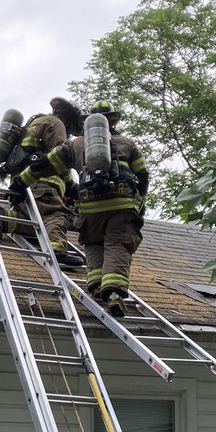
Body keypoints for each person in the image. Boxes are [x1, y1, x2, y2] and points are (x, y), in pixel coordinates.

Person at [40, 100, 148, 316]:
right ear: (114, 121)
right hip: (122, 205)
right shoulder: (127, 143)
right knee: (117, 244)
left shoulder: (76, 144)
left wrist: (22, 180)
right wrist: (141, 201)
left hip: (89, 208)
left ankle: (97, 285)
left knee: (94, 243)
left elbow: (46, 164)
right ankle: (114, 294)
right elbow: (143, 175)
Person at [0, 97, 85, 267]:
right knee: (56, 215)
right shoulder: (56, 124)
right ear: (69, 122)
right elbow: (60, 156)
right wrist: (70, 185)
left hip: (21, 185)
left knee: (35, 225)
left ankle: (3, 218)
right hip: (42, 184)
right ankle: (57, 250)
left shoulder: (33, 123)